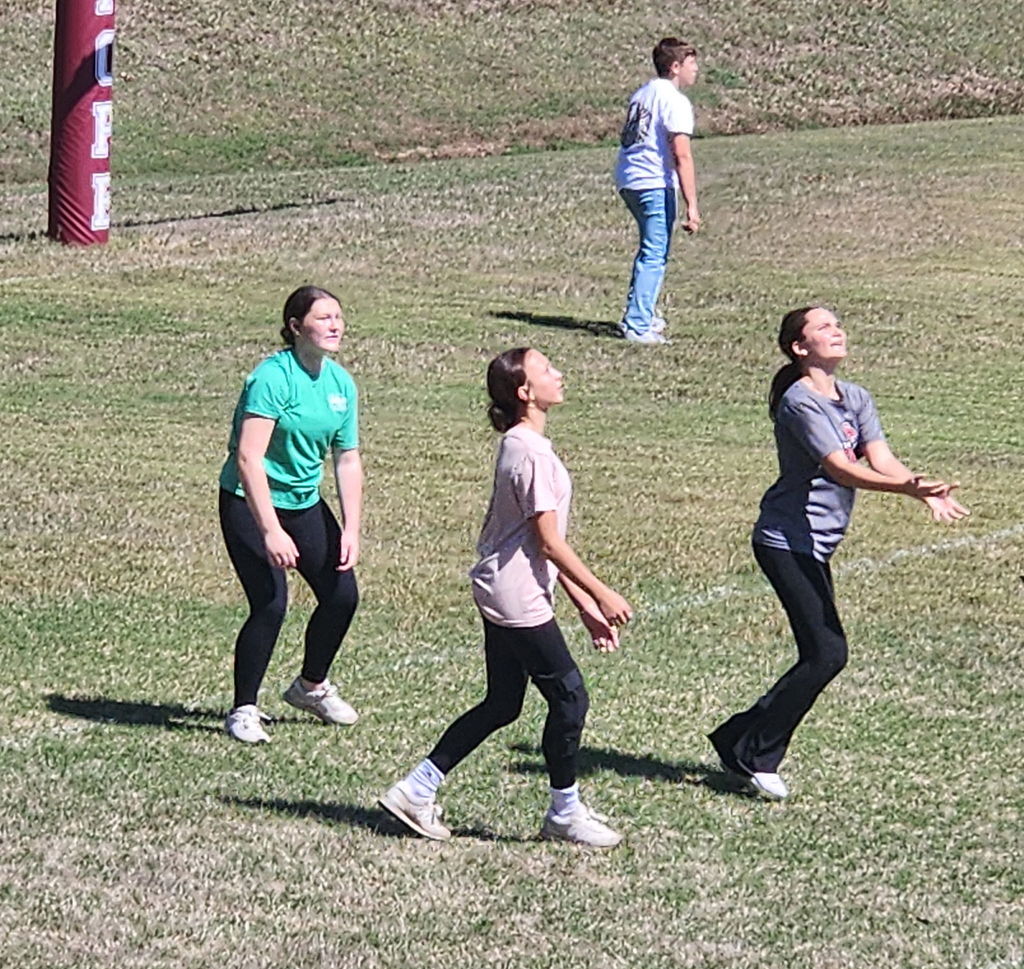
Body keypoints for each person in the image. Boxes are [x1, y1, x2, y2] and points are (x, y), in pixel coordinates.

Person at [708, 307, 969, 799]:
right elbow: (841, 469)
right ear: (799, 348)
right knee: (828, 652)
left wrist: (918, 484)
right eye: (823, 327)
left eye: (837, 324)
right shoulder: (799, 403)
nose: (837, 331)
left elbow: (881, 458)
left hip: (815, 544)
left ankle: (736, 737)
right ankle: (755, 753)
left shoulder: (856, 397)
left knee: (823, 651)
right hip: (785, 542)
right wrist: (907, 492)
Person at [379, 348, 633, 846]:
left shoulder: (523, 444)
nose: (558, 374)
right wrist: (601, 593)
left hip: (507, 588)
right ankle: (564, 814)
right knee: (569, 697)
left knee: (502, 703)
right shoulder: (531, 452)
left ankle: (416, 788)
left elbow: (533, 544)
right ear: (524, 393)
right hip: (517, 598)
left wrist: (582, 606)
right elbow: (548, 541)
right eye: (546, 370)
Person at [218, 285, 363, 743]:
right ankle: (243, 709)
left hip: (304, 503)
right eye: (323, 318)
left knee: (342, 595)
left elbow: (347, 458)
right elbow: (248, 458)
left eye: (338, 317)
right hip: (249, 501)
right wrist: (271, 531)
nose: (335, 325)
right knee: (271, 602)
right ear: (296, 327)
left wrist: (352, 527)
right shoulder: (272, 378)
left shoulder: (341, 384)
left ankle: (310, 686)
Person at [614, 37, 701, 345]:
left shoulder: (642, 94)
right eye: (691, 63)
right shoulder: (675, 101)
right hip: (653, 181)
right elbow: (681, 155)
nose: (696, 69)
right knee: (654, 252)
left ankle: (645, 310)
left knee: (653, 248)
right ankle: (637, 323)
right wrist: (692, 205)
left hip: (629, 179)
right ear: (675, 67)